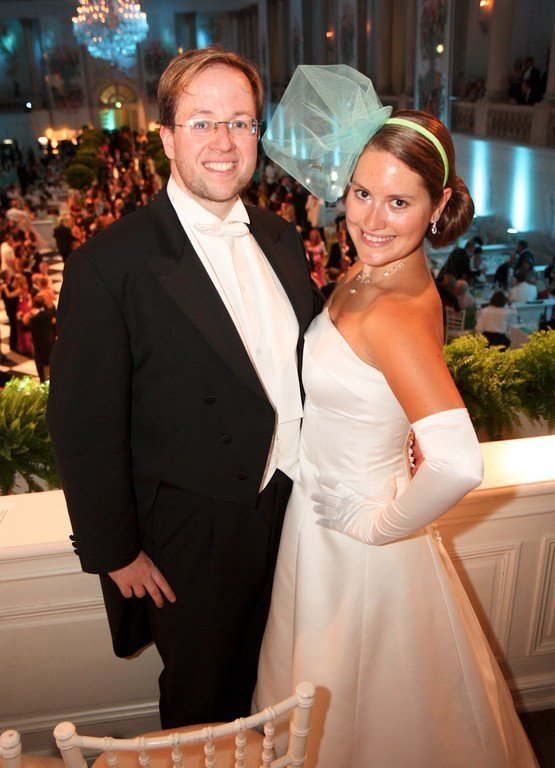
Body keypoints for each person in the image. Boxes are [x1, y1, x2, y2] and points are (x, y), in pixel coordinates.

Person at [256, 65, 539, 768]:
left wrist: (379, 525)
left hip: (355, 545)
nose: (371, 220)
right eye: (361, 193)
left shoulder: (393, 310)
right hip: (318, 518)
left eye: (398, 202)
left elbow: (458, 462)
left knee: (357, 719)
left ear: (437, 206)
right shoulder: (371, 271)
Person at [47, 47, 321, 729]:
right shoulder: (108, 264)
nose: (224, 141)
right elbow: (83, 424)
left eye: (241, 122)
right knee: (204, 704)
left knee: (281, 682)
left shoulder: (282, 238)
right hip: (194, 533)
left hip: (294, 507)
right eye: (202, 122)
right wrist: (114, 551)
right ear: (166, 136)